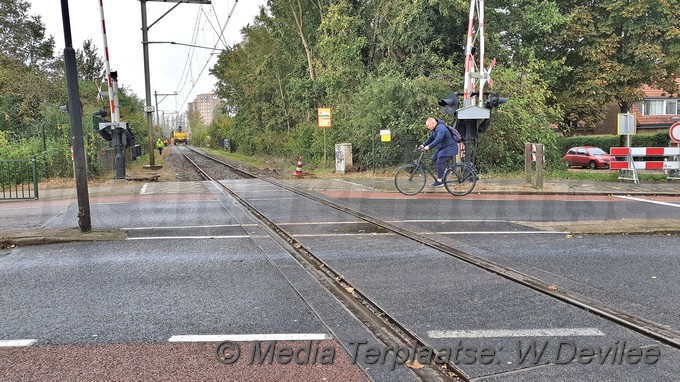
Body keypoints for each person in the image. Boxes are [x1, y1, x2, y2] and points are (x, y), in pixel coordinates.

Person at [421, 117, 459, 187]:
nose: (428, 127)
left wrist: (429, 147)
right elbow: (430, 139)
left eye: (428, 125)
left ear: (432, 123)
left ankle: (439, 181)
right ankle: (445, 170)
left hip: (450, 148)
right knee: (433, 158)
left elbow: (439, 139)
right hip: (443, 147)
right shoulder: (435, 130)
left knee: (439, 161)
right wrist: (423, 144)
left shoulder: (441, 128)